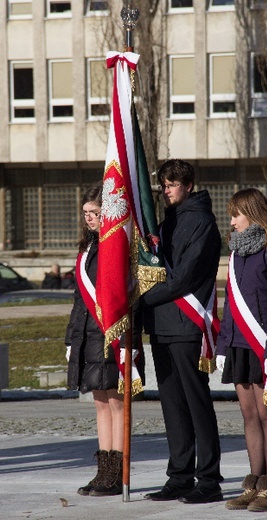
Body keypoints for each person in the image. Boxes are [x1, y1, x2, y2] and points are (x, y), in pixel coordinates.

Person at [141, 159, 223, 504]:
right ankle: (179, 475)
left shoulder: (202, 222)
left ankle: (208, 478)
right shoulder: (165, 222)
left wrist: (141, 298)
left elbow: (184, 277)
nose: (166, 190)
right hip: (162, 323)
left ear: (188, 185)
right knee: (172, 404)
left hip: (187, 324)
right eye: (162, 184)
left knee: (196, 401)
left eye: (172, 184)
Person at [216, 188, 267, 512]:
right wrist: (223, 344)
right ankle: (254, 484)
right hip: (238, 343)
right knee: (249, 415)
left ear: (253, 213)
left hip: (265, 345)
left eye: (236, 214)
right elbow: (231, 305)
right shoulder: (237, 253)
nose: (232, 221)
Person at [65, 182, 124, 497]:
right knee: (99, 402)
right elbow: (79, 299)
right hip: (87, 335)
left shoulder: (117, 246)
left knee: (116, 402)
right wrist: (69, 339)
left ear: (108, 214)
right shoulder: (85, 247)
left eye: (95, 213)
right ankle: (103, 472)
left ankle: (116, 474)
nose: (89, 218)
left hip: (110, 334)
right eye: (86, 212)